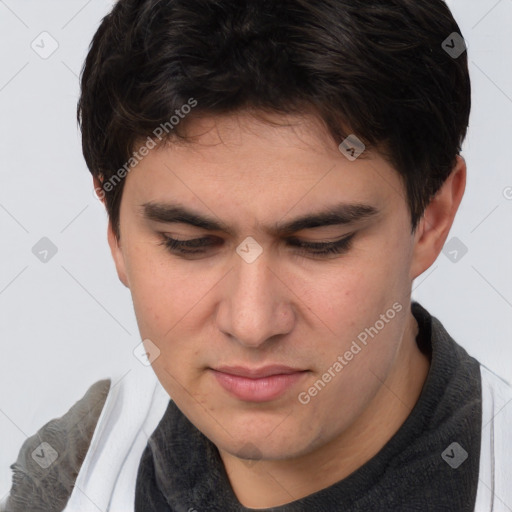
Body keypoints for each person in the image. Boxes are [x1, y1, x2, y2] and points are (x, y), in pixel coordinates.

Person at [2, 0, 511, 511]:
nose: (252, 323)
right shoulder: (73, 472)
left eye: (320, 243)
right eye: (188, 242)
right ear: (114, 230)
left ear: (433, 217)